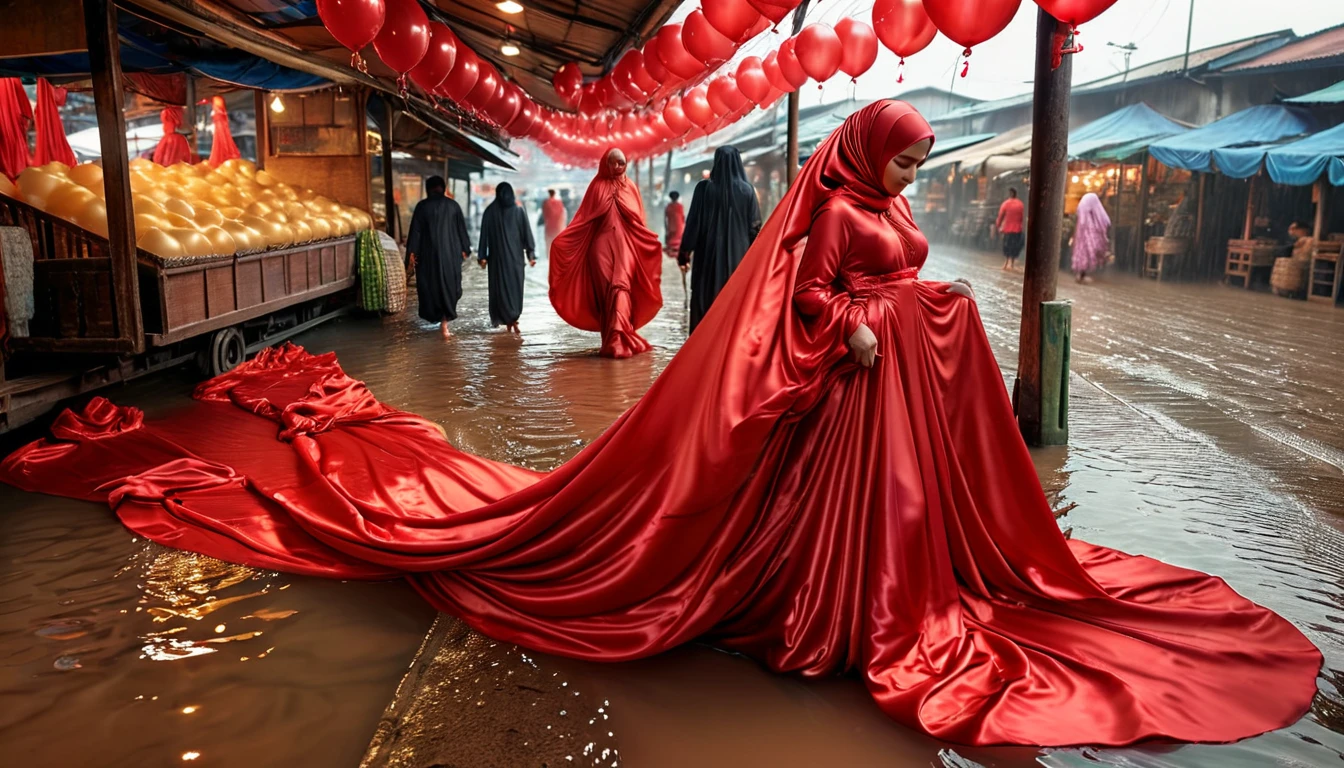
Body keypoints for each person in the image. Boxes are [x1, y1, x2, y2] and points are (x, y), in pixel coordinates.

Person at [2, 102, 1320, 749]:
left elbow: (879, 273)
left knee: (915, 536)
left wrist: (921, 310)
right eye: (906, 165)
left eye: (922, 170)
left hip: (897, 404)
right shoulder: (817, 206)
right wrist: (855, 327)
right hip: (859, 391)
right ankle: (828, 610)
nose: (913, 183)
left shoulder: (867, 197)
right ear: (864, 155)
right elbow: (804, 303)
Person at [548, 148, 663, 358]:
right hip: (600, 248)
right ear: (606, 164)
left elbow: (639, 221)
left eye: (621, 163)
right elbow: (583, 220)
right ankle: (611, 340)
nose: (618, 167)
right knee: (606, 291)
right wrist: (562, 241)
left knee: (621, 286)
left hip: (626, 246)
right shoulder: (596, 187)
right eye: (614, 163)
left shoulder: (631, 187)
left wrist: (648, 241)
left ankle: (620, 336)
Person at [678, 146, 763, 331]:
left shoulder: (703, 189)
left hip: (706, 260)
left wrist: (684, 253)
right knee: (734, 307)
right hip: (738, 261)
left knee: (705, 303)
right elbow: (755, 229)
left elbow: (693, 224)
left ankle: (702, 351)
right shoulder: (747, 191)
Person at [405, 176, 472, 338]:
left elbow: (415, 233)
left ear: (428, 189)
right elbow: (462, 231)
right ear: (443, 187)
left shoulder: (422, 207)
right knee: (450, 285)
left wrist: (410, 255)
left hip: (428, 256)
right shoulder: (453, 206)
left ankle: (437, 318)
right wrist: (465, 249)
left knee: (430, 287)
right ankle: (445, 321)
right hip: (451, 255)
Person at [477, 182, 536, 336]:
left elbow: (483, 236)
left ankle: (510, 320)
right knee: (515, 290)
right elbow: (527, 234)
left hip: (497, 261)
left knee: (500, 290)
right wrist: (530, 254)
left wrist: (482, 256)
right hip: (515, 260)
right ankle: (513, 320)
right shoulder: (518, 211)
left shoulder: (490, 211)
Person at [1070, 192, 1111, 283]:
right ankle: (1082, 275)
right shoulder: (1093, 218)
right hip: (1090, 240)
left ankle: (1081, 275)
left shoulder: (1082, 217)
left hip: (1082, 241)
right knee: (1089, 254)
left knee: (1084, 255)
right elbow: (1104, 220)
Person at [995, 186, 1025, 270]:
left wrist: (998, 226)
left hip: (1008, 229)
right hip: (1017, 229)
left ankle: (1006, 263)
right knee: (1014, 246)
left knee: (1007, 246)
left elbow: (1000, 216)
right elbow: (1021, 217)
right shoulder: (1020, 204)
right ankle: (1011, 264)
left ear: (1010, 194)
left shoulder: (1006, 203)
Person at [539, 188, 567, 257]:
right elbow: (562, 215)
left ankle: (550, 256)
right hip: (558, 227)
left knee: (549, 243)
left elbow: (544, 213)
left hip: (549, 227)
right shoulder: (559, 203)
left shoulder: (546, 202)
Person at [663, 190, 685, 259]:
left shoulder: (668, 207)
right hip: (679, 228)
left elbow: (665, 219)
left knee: (671, 241)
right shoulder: (680, 206)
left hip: (671, 228)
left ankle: (671, 250)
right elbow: (683, 218)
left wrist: (666, 228)